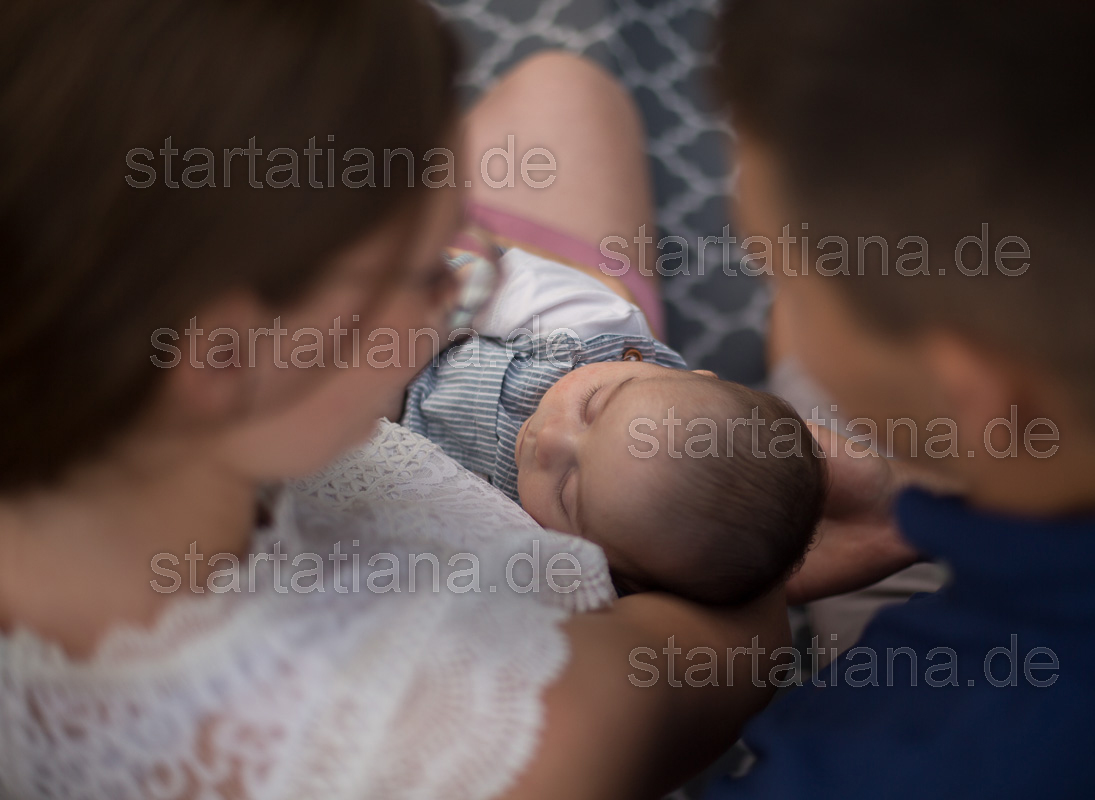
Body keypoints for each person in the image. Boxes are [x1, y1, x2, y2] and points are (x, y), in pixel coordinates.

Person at [0, 2, 791, 797]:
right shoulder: (501, 730)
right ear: (224, 361)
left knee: (561, 94)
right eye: (425, 274)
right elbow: (748, 645)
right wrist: (749, 508)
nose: (461, 290)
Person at [704, 0, 1095, 797]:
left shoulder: (894, 764)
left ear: (973, 392)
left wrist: (693, 635)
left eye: (780, 273)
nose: (781, 302)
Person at [402, 246, 826, 605]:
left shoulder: (546, 565)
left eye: (567, 492)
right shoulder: (594, 329)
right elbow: (486, 285)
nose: (548, 438)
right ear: (688, 376)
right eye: (593, 405)